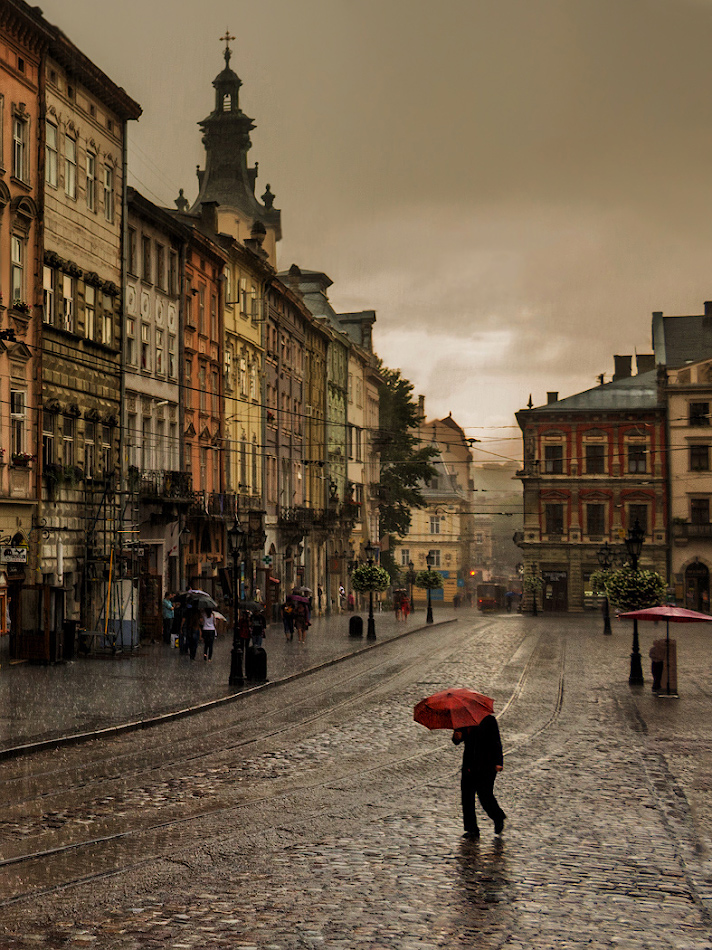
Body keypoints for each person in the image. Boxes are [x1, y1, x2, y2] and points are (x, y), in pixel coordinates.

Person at [452, 715, 506, 840]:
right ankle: (471, 829)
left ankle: (497, 816)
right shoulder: (461, 721)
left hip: (487, 765)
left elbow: (496, 741)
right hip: (469, 764)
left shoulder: (489, 720)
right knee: (467, 797)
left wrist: (499, 762)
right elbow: (456, 740)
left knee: (485, 795)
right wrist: (457, 737)